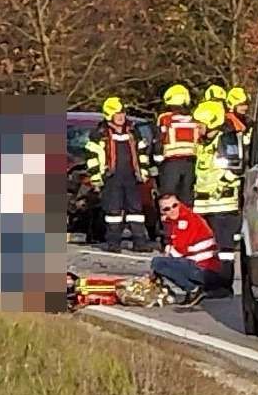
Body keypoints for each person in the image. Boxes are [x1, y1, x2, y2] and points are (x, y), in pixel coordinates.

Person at [149, 192, 229, 307]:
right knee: (163, 263)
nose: (172, 210)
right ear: (162, 211)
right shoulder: (177, 220)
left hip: (205, 270)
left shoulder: (185, 221)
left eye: (175, 206)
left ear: (180, 204)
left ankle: (192, 289)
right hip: (205, 268)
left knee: (158, 263)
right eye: (167, 209)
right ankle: (194, 289)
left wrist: (157, 269)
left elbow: (179, 252)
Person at [96, 95, 150, 252]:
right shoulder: (101, 133)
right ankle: (113, 243)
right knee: (113, 212)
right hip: (112, 176)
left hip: (132, 176)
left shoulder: (133, 131)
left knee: (136, 211)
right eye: (117, 114)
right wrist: (96, 176)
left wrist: (143, 171)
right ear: (109, 115)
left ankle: (140, 243)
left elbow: (141, 152)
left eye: (122, 113)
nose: (121, 117)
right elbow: (92, 155)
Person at [154, 82, 201, 210]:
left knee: (168, 199)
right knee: (186, 199)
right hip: (191, 163)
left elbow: (159, 139)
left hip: (171, 164)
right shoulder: (195, 118)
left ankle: (169, 221)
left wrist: (156, 162)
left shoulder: (165, 118)